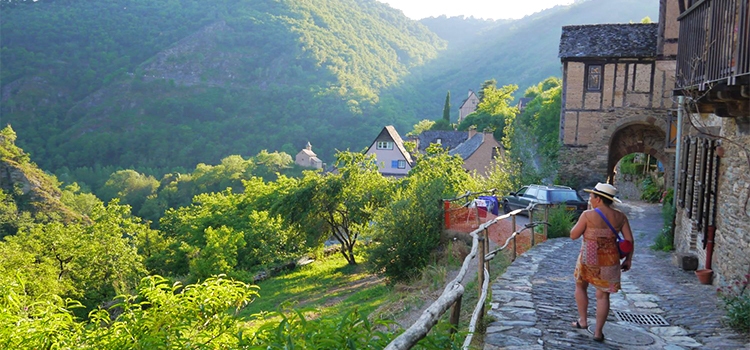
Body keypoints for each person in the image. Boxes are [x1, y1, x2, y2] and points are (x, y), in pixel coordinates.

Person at [569, 182, 634, 342]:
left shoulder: (587, 215)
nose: (590, 199)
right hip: (610, 261)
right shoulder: (620, 216)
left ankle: (583, 321)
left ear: (598, 199)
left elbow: (573, 235)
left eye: (592, 196)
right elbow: (629, 240)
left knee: (580, 285)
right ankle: (598, 332)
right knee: (603, 296)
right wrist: (628, 260)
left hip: (589, 258)